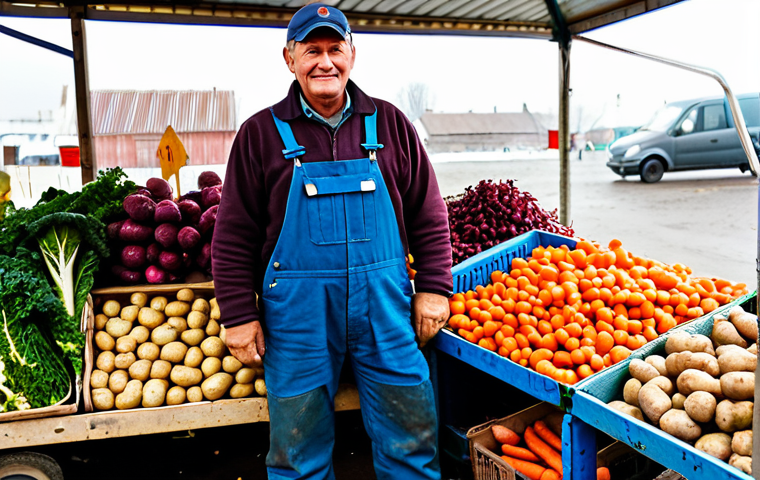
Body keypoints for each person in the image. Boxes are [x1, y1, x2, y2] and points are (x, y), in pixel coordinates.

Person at [211, 3, 453, 479]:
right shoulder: (259, 133)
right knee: (298, 450)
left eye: (335, 49)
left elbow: (429, 211)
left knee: (412, 435)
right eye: (312, 50)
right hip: (298, 318)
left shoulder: (390, 124)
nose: (325, 62)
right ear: (290, 59)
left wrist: (435, 286)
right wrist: (238, 315)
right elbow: (234, 233)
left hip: (385, 308)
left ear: (352, 55)